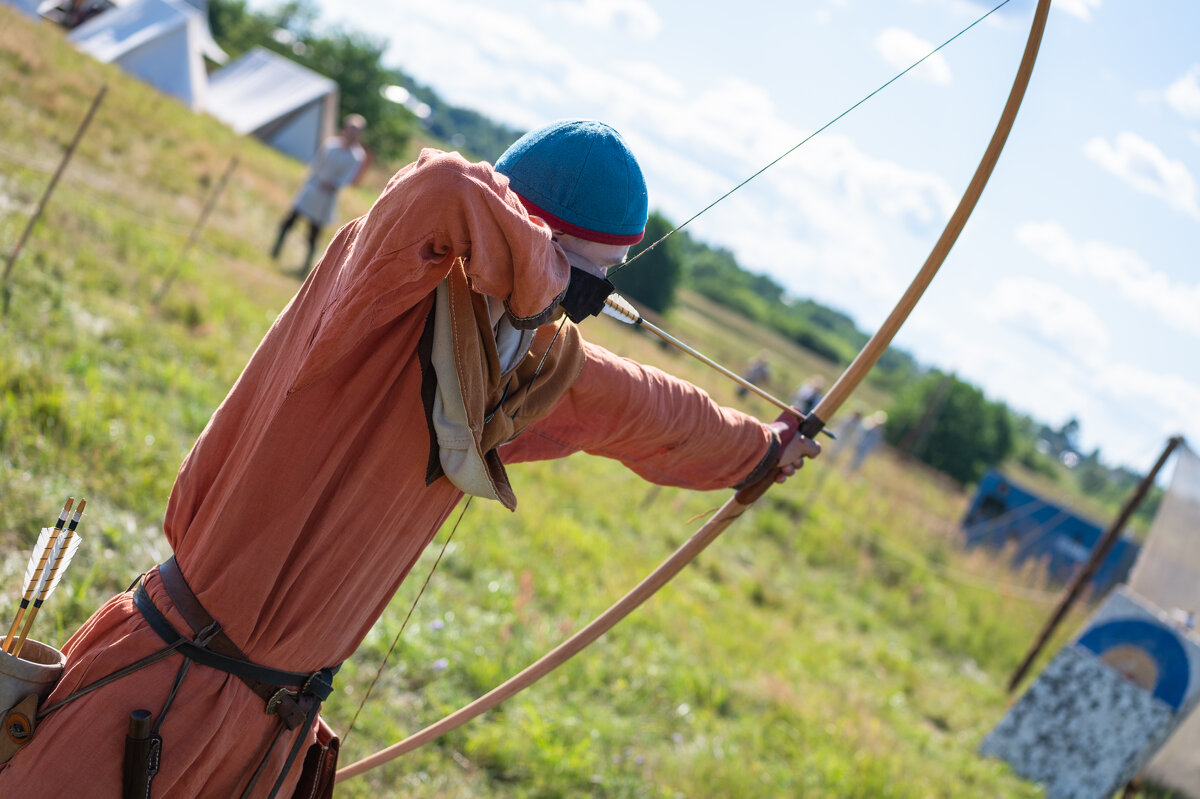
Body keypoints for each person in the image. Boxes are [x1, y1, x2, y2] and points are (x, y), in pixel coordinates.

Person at [0, 120, 819, 798]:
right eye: (586, 277)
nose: (581, 305)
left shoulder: (520, 360)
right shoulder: (386, 278)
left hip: (265, 732)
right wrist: (546, 274)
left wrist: (764, 450)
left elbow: (649, 406)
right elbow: (440, 189)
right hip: (157, 693)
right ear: (538, 238)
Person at [270, 114, 367, 277]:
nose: (352, 133)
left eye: (356, 131)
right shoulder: (331, 145)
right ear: (345, 128)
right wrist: (313, 182)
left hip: (327, 197)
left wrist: (333, 185)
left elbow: (348, 178)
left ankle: (306, 266)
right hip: (313, 189)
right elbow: (316, 165)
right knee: (290, 220)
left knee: (314, 232)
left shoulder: (357, 156)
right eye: (350, 129)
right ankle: (275, 251)